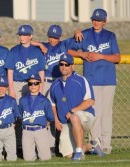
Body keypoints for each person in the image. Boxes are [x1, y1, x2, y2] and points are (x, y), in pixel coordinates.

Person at [68, 8, 121, 154]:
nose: (96, 22)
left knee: (106, 113)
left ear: (104, 22)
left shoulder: (110, 36)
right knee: (95, 113)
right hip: (91, 79)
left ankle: (106, 145)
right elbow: (67, 49)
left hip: (108, 79)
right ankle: (95, 145)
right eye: (94, 19)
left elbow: (117, 58)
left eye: (99, 20)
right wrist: (82, 53)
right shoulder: (84, 34)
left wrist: (101, 56)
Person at [49, 54, 104, 160]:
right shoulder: (54, 85)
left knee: (74, 117)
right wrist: (56, 120)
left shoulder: (81, 80)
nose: (63, 67)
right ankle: (91, 145)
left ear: (72, 66)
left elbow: (90, 101)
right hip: (66, 122)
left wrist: (73, 110)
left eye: (67, 64)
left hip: (85, 117)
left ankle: (79, 151)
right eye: (61, 64)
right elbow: (53, 105)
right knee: (68, 155)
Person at [31, 24, 73, 155]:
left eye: (55, 37)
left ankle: (61, 145)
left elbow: (78, 40)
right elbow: (26, 41)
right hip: (47, 82)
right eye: (50, 37)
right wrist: (39, 44)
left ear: (60, 37)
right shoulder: (45, 46)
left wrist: (77, 30)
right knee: (48, 112)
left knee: (61, 112)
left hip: (61, 82)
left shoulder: (64, 45)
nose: (52, 40)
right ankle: (49, 146)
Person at [4, 24, 45, 155]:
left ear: (30, 36)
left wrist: (41, 87)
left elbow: (41, 71)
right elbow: (10, 72)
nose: (22, 37)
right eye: (20, 35)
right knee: (17, 115)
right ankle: (18, 145)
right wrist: (11, 89)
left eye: (25, 35)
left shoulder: (36, 51)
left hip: (33, 85)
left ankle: (36, 145)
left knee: (33, 113)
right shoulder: (14, 51)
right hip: (17, 83)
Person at [19, 74, 54, 161]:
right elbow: (20, 115)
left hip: (40, 130)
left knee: (45, 158)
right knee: (28, 159)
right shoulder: (22, 100)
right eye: (30, 84)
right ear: (28, 85)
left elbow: (50, 117)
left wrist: (46, 124)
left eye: (35, 83)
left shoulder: (45, 101)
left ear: (40, 84)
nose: (33, 86)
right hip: (27, 131)